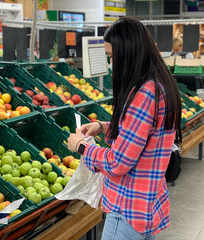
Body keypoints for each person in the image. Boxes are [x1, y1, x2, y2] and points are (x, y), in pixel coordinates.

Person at [67, 17, 181, 240]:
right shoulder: (159, 85)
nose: (111, 64)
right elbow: (142, 134)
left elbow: (117, 162)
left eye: (112, 57)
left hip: (127, 207)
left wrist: (81, 147)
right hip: (146, 202)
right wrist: (104, 127)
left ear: (128, 53)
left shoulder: (144, 94)